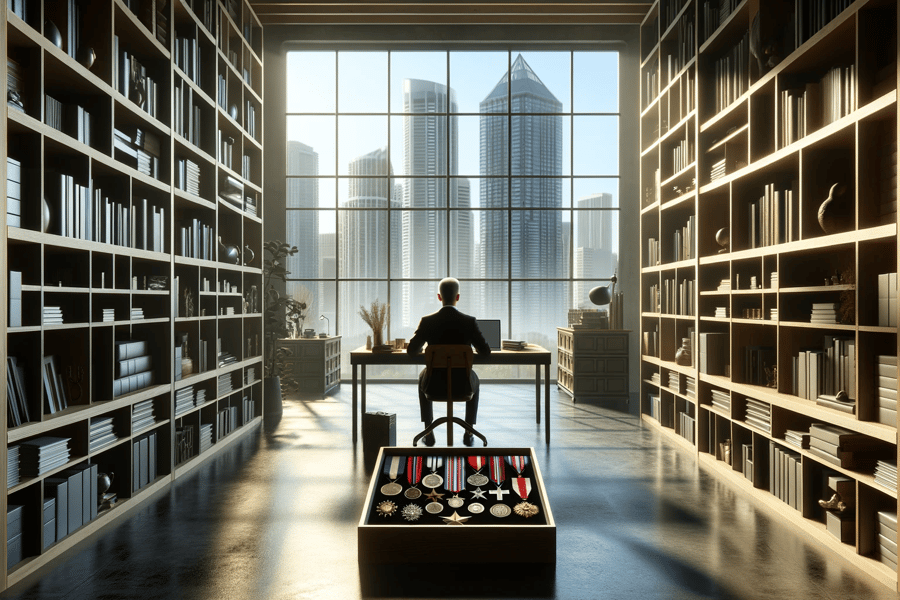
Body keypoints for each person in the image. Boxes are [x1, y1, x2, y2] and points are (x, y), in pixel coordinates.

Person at [407, 278, 491, 446]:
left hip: (434, 386)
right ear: (457, 297)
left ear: (439, 297)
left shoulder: (427, 321)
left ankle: (428, 431)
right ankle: (468, 431)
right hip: (463, 386)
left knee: (422, 375)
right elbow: (485, 352)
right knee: (474, 377)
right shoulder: (469, 322)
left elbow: (411, 351)